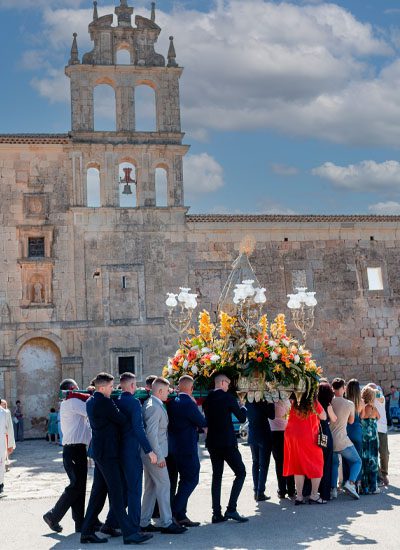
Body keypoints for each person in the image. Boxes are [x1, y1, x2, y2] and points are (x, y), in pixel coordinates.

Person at [80, 372, 151, 545]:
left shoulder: (91, 400)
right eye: (111, 387)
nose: (114, 390)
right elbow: (122, 420)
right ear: (102, 387)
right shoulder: (104, 402)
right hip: (108, 454)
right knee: (117, 493)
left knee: (98, 494)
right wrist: (130, 409)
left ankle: (86, 532)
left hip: (100, 452)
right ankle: (129, 534)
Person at [43, 379, 92, 534]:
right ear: (72, 390)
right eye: (77, 389)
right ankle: (53, 515)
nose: (80, 391)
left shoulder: (71, 402)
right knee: (75, 486)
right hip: (74, 450)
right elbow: (91, 409)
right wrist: (93, 394)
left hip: (76, 450)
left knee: (79, 487)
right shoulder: (72, 402)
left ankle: (79, 522)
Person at [140, 377, 186, 535]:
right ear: (159, 391)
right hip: (154, 455)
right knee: (164, 485)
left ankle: (144, 521)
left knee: (151, 488)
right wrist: (159, 457)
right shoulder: (154, 407)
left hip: (151, 454)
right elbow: (151, 434)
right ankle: (166, 522)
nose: (169, 393)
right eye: (167, 391)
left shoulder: (152, 403)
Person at [202, 374, 248, 523]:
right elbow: (241, 418)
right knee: (241, 472)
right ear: (222, 382)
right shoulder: (228, 398)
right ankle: (231, 509)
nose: (228, 386)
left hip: (212, 442)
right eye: (227, 383)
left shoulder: (207, 399)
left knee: (217, 476)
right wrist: (243, 407)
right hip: (227, 442)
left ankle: (216, 513)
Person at [117, 372, 157, 537]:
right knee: (134, 491)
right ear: (132, 386)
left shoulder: (116, 400)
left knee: (122, 491)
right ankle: (134, 528)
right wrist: (149, 450)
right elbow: (138, 429)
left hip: (118, 451)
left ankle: (112, 523)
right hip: (131, 451)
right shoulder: (133, 403)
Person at [167, 375, 207, 526]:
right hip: (187, 448)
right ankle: (174, 512)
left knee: (183, 480)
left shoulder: (172, 402)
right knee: (191, 479)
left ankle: (181, 515)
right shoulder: (188, 403)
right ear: (191, 388)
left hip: (174, 447)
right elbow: (202, 421)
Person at [283, 394, 326, 504]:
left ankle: (300, 497)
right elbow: (323, 416)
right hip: (308, 436)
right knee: (317, 464)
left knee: (298, 466)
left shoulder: (295, 402)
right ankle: (314, 495)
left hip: (292, 436)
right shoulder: (313, 402)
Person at [330, 378, 362, 500]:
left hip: (330, 439)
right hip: (342, 439)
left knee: (334, 464)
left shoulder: (329, 402)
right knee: (357, 461)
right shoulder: (349, 404)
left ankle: (333, 489)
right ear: (343, 388)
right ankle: (351, 483)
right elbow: (351, 421)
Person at [246, 399, 275, 501]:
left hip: (253, 435)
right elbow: (272, 415)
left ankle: (256, 491)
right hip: (263, 435)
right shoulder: (263, 401)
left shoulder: (248, 401)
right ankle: (260, 492)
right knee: (263, 465)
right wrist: (271, 403)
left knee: (255, 463)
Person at [269, 398, 295, 499]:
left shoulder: (270, 400)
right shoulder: (287, 400)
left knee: (279, 463)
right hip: (286, 432)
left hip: (275, 432)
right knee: (289, 461)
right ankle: (291, 489)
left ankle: (282, 490)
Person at [316, 382, 336, 502]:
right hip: (325, 433)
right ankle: (325, 493)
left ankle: (315, 490)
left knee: (318, 463)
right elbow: (334, 419)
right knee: (327, 464)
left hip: (315, 433)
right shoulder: (328, 405)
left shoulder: (315, 404)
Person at [366, 383, 389, 486]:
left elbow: (379, 396)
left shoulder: (381, 397)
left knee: (384, 453)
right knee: (374, 454)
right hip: (371, 429)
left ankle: (384, 473)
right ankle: (380, 476)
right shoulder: (368, 400)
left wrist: (372, 390)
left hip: (382, 429)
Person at [343, 379, 363, 492]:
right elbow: (362, 416)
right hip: (357, 430)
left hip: (347, 430)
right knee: (358, 458)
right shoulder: (360, 401)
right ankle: (358, 483)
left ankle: (347, 481)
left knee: (347, 458)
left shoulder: (345, 401)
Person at [360, 387, 380, 495]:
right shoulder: (374, 409)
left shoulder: (363, 408)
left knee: (364, 462)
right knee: (373, 461)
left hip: (364, 438)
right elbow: (379, 417)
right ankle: (373, 486)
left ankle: (365, 487)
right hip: (373, 439)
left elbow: (361, 417)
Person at [0, 399, 14, 496]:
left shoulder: (5, 413)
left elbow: (10, 428)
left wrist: (10, 444)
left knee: (1, 463)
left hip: (1, 441)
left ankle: (0, 485)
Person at [1, 399, 16, 472]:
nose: (3, 405)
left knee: (6, 450)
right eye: (2, 404)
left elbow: (9, 424)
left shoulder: (7, 412)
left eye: (4, 404)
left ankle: (6, 465)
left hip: (6, 434)